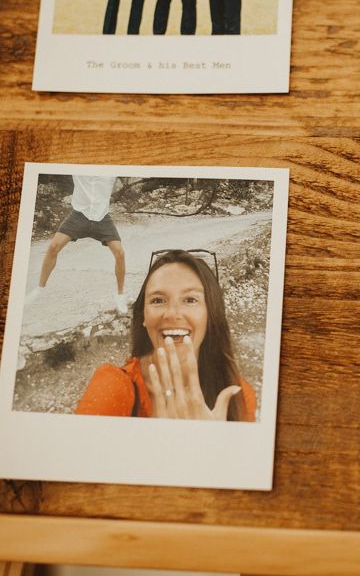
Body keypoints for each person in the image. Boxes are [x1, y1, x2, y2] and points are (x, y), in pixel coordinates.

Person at [77, 249, 256, 421]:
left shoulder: (237, 397)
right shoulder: (113, 387)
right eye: (158, 300)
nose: (172, 313)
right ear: (143, 316)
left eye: (190, 300)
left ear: (211, 315)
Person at [26, 175, 127, 314]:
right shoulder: (79, 168)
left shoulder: (110, 172)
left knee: (120, 253)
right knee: (53, 247)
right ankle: (39, 289)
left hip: (102, 218)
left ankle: (120, 296)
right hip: (79, 215)